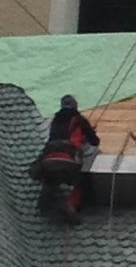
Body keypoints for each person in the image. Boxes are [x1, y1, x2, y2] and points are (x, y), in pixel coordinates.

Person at [30, 95, 99, 224]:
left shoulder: (55, 120)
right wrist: (86, 136)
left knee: (50, 178)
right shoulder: (79, 119)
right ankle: (71, 206)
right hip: (68, 157)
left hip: (48, 158)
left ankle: (44, 204)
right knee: (81, 179)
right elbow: (95, 141)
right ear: (75, 106)